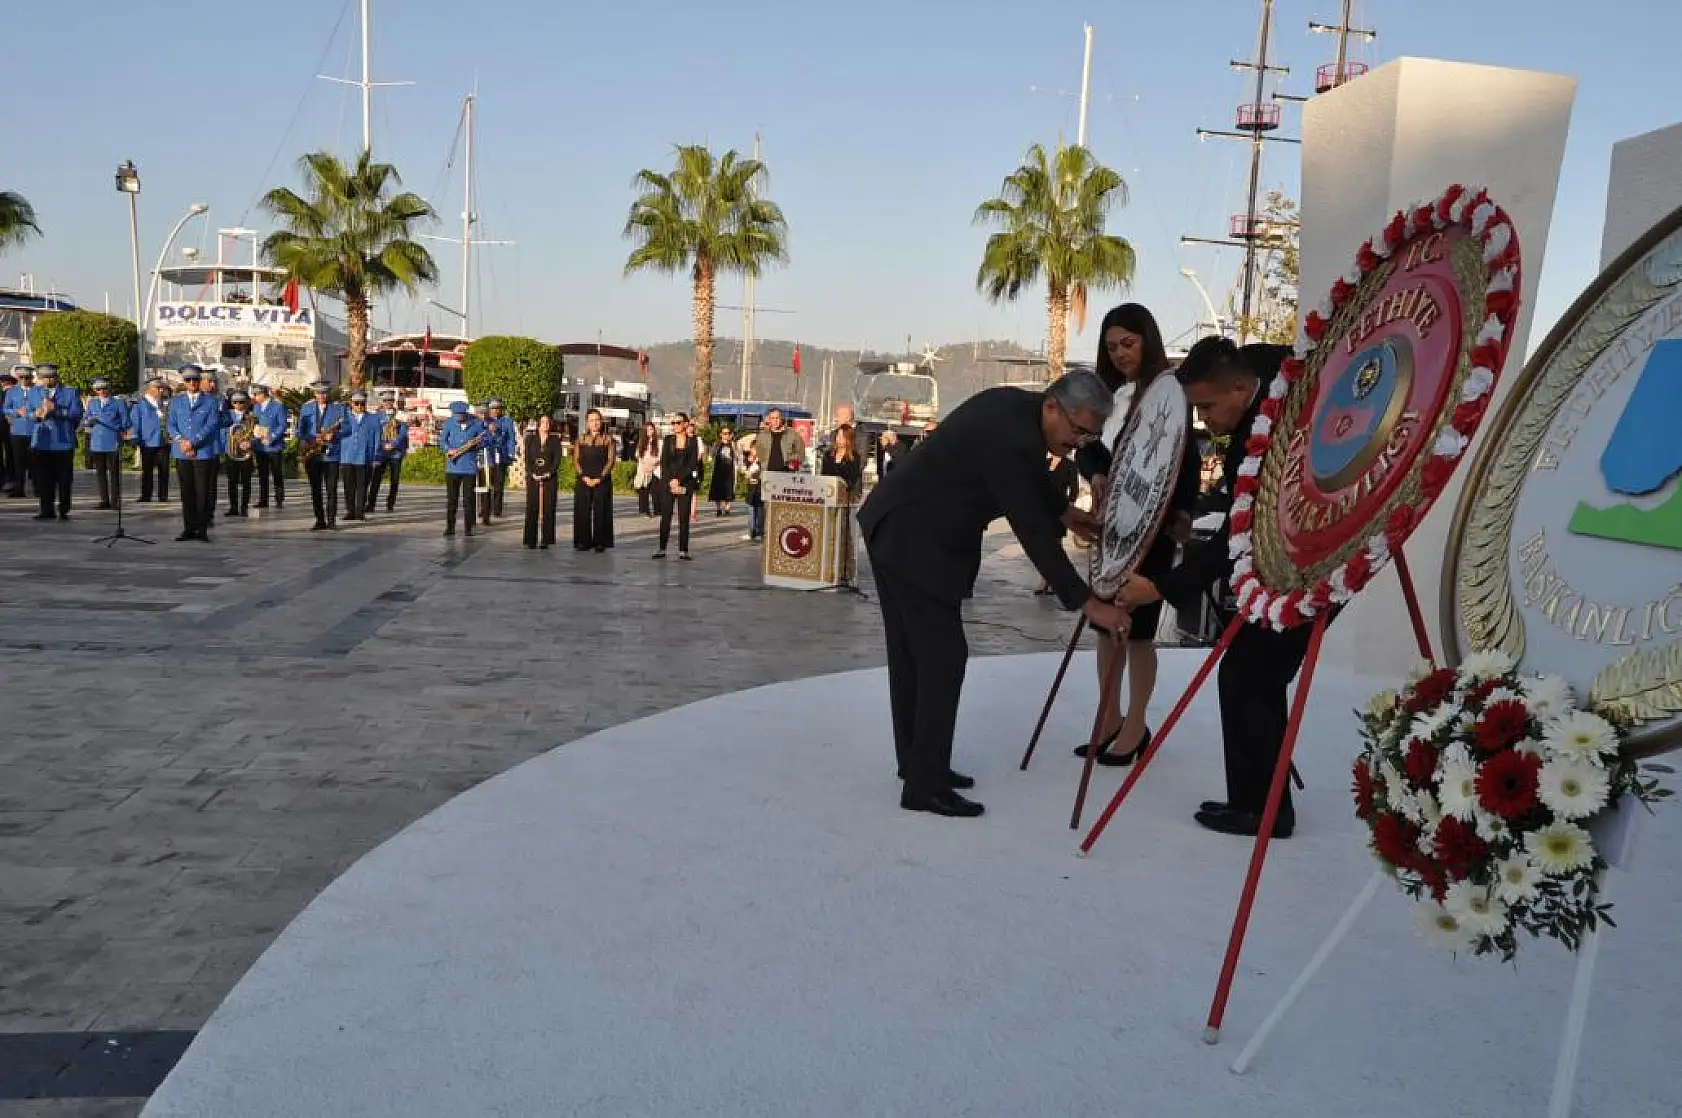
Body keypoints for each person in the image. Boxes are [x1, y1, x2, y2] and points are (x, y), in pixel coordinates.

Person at [858, 371, 1132, 818]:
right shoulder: (1011, 435)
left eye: (1089, 437)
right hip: (914, 537)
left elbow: (1029, 480)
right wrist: (1087, 602)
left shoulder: (1018, 413)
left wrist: (1065, 511)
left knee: (914, 654)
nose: (1078, 443)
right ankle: (924, 784)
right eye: (1078, 431)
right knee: (943, 657)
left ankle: (918, 763)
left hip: (900, 526)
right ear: (1053, 407)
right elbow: (1031, 530)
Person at [1114, 338, 1304, 839]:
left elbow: (1234, 538)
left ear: (1241, 390)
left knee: (1251, 675)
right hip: (1280, 559)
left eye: (1205, 406)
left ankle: (1264, 811)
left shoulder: (1266, 426)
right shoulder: (1257, 382)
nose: (1203, 420)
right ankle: (1256, 802)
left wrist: (1160, 587)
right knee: (1246, 673)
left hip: (1311, 563)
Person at [1073, 303, 1203, 767]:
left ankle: (1136, 724)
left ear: (1147, 338)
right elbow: (1086, 446)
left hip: (1154, 525)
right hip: (1113, 525)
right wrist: (1095, 475)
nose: (1121, 353)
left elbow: (1182, 460)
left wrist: (1184, 511)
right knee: (1105, 626)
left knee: (1140, 632)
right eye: (1112, 346)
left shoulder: (1170, 393)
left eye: (1128, 343)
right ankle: (1109, 718)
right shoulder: (1108, 393)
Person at [167, 365, 220, 541]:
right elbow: (171, 424)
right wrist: (181, 441)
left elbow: (212, 424)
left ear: (200, 381)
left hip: (203, 451)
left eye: (195, 380)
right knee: (187, 491)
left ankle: (202, 529)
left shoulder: (211, 401)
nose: (192, 383)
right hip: (182, 451)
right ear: (184, 382)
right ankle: (188, 527)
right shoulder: (176, 401)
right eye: (188, 380)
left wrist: (194, 442)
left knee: (202, 492)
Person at [26, 365, 81, 520]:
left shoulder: (70, 392)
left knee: (64, 479)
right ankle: (46, 509)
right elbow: (28, 411)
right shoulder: (34, 392)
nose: (47, 381)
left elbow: (76, 414)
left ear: (56, 377)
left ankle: (64, 509)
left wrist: (55, 410)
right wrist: (34, 414)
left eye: (50, 377)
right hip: (42, 441)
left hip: (62, 442)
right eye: (44, 378)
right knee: (44, 479)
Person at [296, 380, 346, 530]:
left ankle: (331, 521)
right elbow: (300, 431)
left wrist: (334, 435)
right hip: (313, 453)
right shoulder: (306, 407)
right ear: (314, 393)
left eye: (324, 393)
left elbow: (347, 428)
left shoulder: (338, 408)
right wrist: (311, 439)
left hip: (331, 454)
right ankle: (319, 520)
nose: (321, 396)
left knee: (331, 489)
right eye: (318, 393)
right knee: (315, 489)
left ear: (328, 393)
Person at [654, 413, 699, 560]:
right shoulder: (668, 440)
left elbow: (692, 464)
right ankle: (662, 548)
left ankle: (683, 550)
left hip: (685, 483)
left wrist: (679, 479)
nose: (674, 425)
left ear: (686, 424)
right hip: (668, 483)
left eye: (678, 423)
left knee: (684, 517)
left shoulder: (693, 442)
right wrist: (671, 480)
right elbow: (664, 462)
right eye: (672, 423)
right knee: (665, 516)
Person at [439, 399, 486, 537]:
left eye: (460, 415)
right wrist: (448, 450)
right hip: (452, 467)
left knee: (468, 499)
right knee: (452, 499)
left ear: (465, 413)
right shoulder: (449, 423)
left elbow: (486, 441)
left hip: (469, 467)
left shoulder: (476, 423)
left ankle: (468, 527)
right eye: (455, 415)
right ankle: (450, 527)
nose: (457, 418)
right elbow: (442, 440)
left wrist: (476, 444)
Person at [82, 377, 129, 510]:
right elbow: (85, 418)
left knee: (114, 473)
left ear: (109, 388)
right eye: (98, 389)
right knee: (100, 472)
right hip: (97, 442)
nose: (101, 391)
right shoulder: (93, 403)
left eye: (104, 388)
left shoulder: (118, 403)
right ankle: (104, 500)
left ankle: (115, 500)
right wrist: (90, 420)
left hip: (112, 440)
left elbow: (126, 421)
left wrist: (116, 425)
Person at [573, 407, 616, 551]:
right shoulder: (581, 438)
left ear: (601, 422)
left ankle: (600, 542)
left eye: (597, 420)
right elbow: (576, 460)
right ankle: (583, 541)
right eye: (592, 420)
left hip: (602, 480)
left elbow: (611, 460)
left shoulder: (607, 439)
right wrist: (584, 476)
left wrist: (600, 478)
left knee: (601, 511)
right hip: (583, 479)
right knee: (582, 510)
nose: (595, 423)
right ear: (587, 423)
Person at [337, 390, 379, 521]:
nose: (359, 406)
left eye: (362, 403)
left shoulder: (373, 418)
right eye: (356, 403)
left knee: (362, 486)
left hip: (364, 457)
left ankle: (360, 511)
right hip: (347, 456)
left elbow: (377, 438)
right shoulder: (344, 418)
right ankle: (350, 511)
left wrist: (376, 457)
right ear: (351, 404)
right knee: (348, 486)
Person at [523, 413, 563, 549]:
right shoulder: (530, 439)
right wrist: (532, 473)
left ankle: (546, 539)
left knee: (548, 508)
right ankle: (530, 539)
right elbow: (527, 459)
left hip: (549, 478)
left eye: (547, 422)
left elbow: (557, 460)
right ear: (538, 424)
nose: (545, 424)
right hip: (533, 477)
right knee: (532, 507)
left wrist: (549, 473)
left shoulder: (555, 440)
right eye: (543, 422)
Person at [131, 378, 172, 503]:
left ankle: (163, 495)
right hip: (147, 441)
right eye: (158, 388)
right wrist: (134, 436)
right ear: (150, 389)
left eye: (162, 388)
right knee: (147, 470)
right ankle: (146, 494)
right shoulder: (140, 404)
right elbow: (135, 421)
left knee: (164, 469)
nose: (161, 391)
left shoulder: (163, 403)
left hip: (163, 440)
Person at [366, 390, 408, 512]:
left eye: (389, 401)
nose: (387, 403)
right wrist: (383, 444)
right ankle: (370, 504)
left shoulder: (400, 415)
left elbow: (403, 433)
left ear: (393, 402)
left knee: (394, 480)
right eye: (385, 401)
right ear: (382, 402)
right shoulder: (377, 416)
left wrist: (393, 444)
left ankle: (390, 504)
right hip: (382, 452)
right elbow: (375, 433)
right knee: (376, 479)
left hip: (396, 452)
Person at [250, 383, 288, 509]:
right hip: (260, 446)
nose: (255, 397)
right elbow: (254, 424)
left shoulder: (278, 406)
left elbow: (282, 425)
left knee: (277, 473)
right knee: (262, 474)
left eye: (256, 394)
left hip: (274, 445)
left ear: (263, 394)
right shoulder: (256, 408)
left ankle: (279, 499)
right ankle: (263, 499)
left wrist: (271, 437)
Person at [222, 390, 257, 517]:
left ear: (247, 402)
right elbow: (223, 431)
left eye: (241, 402)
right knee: (232, 481)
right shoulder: (227, 415)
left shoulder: (252, 417)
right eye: (235, 402)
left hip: (246, 453)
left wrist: (251, 443)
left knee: (246, 481)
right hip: (231, 452)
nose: (238, 405)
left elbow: (257, 434)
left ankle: (244, 507)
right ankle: (233, 507)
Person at [4, 365, 34, 498]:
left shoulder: (37, 390)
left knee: (36, 461)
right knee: (18, 461)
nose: (24, 380)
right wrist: (16, 411)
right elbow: (5, 409)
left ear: (31, 378)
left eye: (26, 377)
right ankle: (19, 488)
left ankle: (38, 487)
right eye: (21, 377)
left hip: (34, 430)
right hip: (18, 430)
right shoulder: (12, 392)